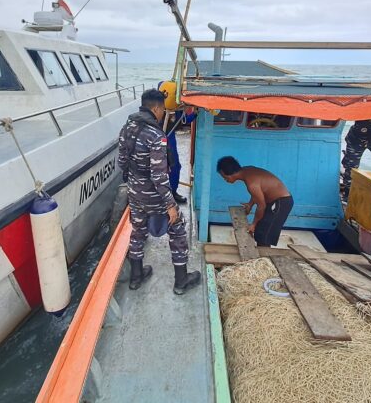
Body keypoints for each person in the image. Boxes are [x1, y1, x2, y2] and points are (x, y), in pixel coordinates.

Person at [117, 88, 201, 295]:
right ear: (156, 108)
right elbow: (158, 175)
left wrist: (134, 184)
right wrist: (170, 205)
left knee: (137, 231)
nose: (163, 113)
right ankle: (181, 281)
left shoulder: (126, 128)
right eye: (163, 109)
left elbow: (121, 162)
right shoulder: (155, 135)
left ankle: (136, 277)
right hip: (155, 194)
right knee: (177, 230)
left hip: (135, 192)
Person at [216, 156, 293, 246]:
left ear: (230, 173)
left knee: (264, 234)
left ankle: (264, 258)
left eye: (224, 177)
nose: (225, 180)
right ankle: (262, 256)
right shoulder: (247, 170)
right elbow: (259, 192)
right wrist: (250, 204)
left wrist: (253, 224)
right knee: (261, 231)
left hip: (281, 202)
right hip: (276, 201)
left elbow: (261, 206)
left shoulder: (251, 183)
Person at [166, 106, 197, 204]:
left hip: (169, 138)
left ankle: (172, 193)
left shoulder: (174, 109)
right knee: (173, 167)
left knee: (174, 167)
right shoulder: (169, 109)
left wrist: (194, 113)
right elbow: (182, 121)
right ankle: (171, 194)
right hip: (166, 139)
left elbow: (182, 120)